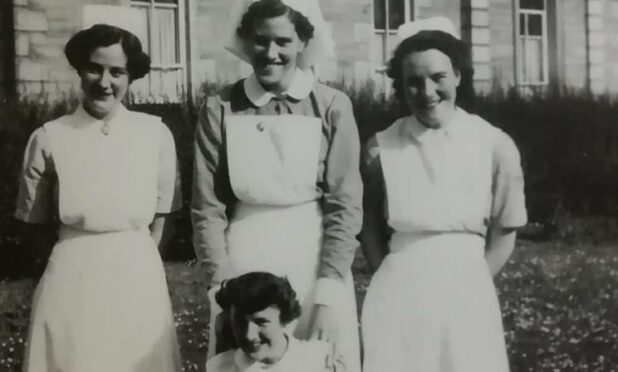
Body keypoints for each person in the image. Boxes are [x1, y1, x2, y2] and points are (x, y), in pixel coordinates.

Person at [191, 0, 362, 370]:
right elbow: (207, 208)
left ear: (302, 42)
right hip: (244, 263)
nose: (271, 53)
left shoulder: (333, 106)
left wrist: (328, 297)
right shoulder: (219, 108)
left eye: (283, 41)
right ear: (245, 41)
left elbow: (344, 205)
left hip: (314, 260)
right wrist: (221, 296)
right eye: (260, 40)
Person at [360, 17, 527, 372]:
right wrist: (387, 276)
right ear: (401, 87)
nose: (427, 91)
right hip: (398, 292)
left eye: (438, 77)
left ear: (458, 76)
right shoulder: (380, 148)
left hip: (468, 289)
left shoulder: (494, 145)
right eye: (414, 82)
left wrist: (472, 282)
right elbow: (370, 224)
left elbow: (505, 230)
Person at [15, 17, 182, 372]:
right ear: (79, 69)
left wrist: (139, 262)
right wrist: (69, 264)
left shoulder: (155, 135)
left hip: (138, 276)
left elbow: (163, 218)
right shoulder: (49, 137)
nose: (104, 83)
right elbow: (33, 224)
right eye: (94, 69)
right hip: (72, 278)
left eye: (117, 72)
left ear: (131, 76)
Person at [206, 272, 344, 371]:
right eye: (240, 322)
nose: (249, 335)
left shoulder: (320, 363)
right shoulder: (219, 368)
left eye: (261, 322)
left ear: (284, 318)